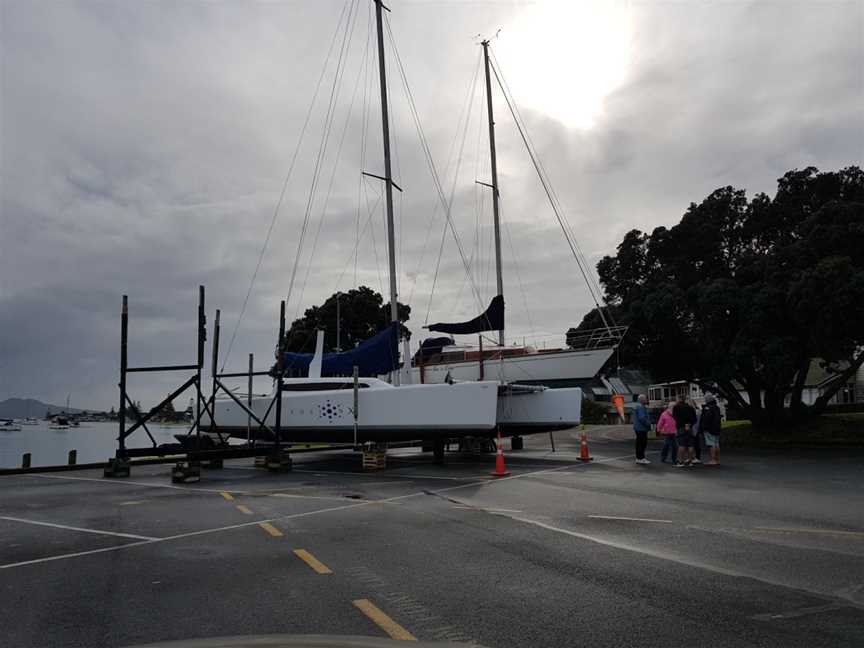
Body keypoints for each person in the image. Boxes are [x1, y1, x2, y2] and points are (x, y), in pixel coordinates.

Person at [672, 395, 697, 467]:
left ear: (679, 399)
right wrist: (689, 424)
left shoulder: (676, 407)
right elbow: (694, 419)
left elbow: (675, 417)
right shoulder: (690, 408)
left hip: (681, 427)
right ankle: (690, 461)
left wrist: (683, 424)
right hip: (689, 428)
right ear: (685, 399)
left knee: (681, 445)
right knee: (690, 445)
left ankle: (680, 462)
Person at [701, 393, 723, 465]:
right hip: (717, 428)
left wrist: (704, 427)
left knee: (711, 444)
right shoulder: (717, 407)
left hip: (710, 429)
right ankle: (717, 459)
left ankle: (713, 460)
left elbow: (706, 419)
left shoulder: (708, 408)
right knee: (716, 444)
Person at [632, 394, 651, 464]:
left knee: (639, 443)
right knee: (642, 443)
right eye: (646, 398)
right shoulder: (641, 407)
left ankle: (638, 457)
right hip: (642, 428)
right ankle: (641, 458)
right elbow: (642, 418)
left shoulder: (636, 406)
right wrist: (648, 424)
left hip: (637, 427)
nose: (647, 400)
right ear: (642, 400)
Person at [688, 398, 703, 464]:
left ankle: (695, 458)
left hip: (695, 429)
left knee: (694, 444)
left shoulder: (696, 412)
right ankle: (693, 457)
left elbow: (696, 422)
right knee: (694, 444)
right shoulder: (698, 411)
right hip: (696, 429)